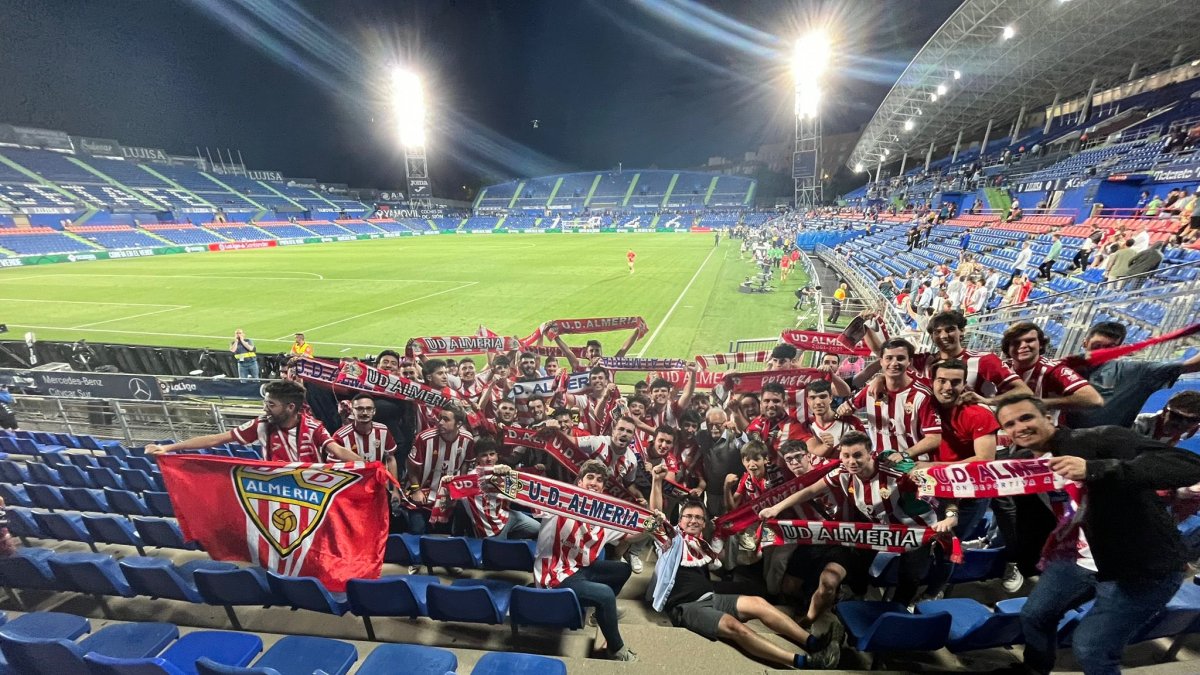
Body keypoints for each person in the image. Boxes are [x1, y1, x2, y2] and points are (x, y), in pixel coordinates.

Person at [994, 394, 1200, 675]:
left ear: (1047, 417)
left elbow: (1188, 465)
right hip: (1081, 556)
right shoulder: (1021, 463)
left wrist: (1095, 469)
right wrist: (911, 468)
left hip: (1141, 568)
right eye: (1010, 424)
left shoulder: (1100, 439)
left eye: (1026, 417)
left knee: (1092, 648)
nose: (1019, 427)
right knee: (1035, 615)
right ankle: (1034, 669)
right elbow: (963, 473)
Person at [647, 465, 841, 670]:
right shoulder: (670, 540)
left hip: (712, 596)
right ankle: (804, 662)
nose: (693, 521)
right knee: (734, 626)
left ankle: (814, 643)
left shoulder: (703, 544)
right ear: (680, 519)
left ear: (704, 523)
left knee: (758, 602)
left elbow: (717, 556)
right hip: (686, 607)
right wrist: (657, 481)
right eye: (688, 517)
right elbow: (655, 516)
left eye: (698, 518)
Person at [759, 431, 958, 608]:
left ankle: (899, 612)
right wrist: (776, 508)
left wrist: (951, 516)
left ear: (870, 454)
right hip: (879, 530)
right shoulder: (843, 473)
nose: (851, 461)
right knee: (858, 562)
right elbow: (810, 490)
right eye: (846, 456)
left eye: (857, 455)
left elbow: (944, 491)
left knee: (909, 576)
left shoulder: (896, 473)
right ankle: (859, 597)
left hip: (917, 531)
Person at [533, 459, 636, 661]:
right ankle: (616, 649)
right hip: (555, 576)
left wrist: (649, 529)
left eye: (599, 480)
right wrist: (503, 478)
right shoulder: (558, 502)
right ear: (579, 482)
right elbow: (528, 495)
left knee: (623, 569)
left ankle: (600, 615)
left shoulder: (604, 515)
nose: (594, 483)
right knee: (605, 594)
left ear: (603, 488)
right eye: (590, 477)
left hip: (580, 568)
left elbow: (630, 535)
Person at [146, 380, 357, 462]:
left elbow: (338, 452)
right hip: (275, 492)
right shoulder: (261, 424)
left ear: (290, 407)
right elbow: (215, 439)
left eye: (271, 405)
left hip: (310, 493)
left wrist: (370, 466)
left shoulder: (313, 427)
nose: (265, 408)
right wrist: (169, 448)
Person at [1063, 321, 1200, 429]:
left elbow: (1192, 365)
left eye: (1110, 348)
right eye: (1096, 345)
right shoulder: (1061, 367)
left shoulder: (1135, 372)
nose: (1101, 352)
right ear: (1085, 342)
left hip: (1100, 451)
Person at [841, 338, 942, 462]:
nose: (894, 363)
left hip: (911, 464)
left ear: (909, 362)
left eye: (900, 358)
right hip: (880, 462)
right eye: (889, 358)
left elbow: (934, 438)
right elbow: (845, 409)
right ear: (881, 362)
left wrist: (904, 455)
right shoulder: (871, 389)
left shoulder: (922, 395)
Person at [1000, 322, 1102, 423]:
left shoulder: (1054, 369)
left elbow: (1093, 399)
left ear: (1040, 344)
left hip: (1041, 432)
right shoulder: (1001, 367)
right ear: (1007, 348)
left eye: (1029, 340)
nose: (1023, 346)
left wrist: (1041, 403)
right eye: (1016, 342)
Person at [445, 441, 541, 539]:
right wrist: (449, 484)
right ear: (477, 458)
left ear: (497, 456)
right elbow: (451, 502)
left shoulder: (502, 470)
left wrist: (509, 472)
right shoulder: (470, 479)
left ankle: (510, 540)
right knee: (498, 552)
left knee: (537, 528)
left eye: (492, 454)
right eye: (484, 455)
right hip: (491, 529)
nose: (489, 459)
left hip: (507, 516)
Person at [401, 407, 475, 534]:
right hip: (421, 493)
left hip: (446, 498)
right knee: (418, 532)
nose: (440, 422)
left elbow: (466, 464)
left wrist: (460, 490)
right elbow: (412, 466)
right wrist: (416, 489)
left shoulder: (467, 439)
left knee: (445, 536)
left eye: (446, 419)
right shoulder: (424, 438)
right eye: (440, 418)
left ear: (459, 424)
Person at [333, 394, 399, 478]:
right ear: (352, 411)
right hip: (351, 485)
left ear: (374, 411)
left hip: (377, 483)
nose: (364, 413)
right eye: (360, 409)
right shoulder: (340, 436)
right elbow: (333, 467)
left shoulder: (383, 430)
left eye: (368, 409)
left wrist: (395, 489)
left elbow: (390, 458)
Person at [1133, 390, 1200, 446]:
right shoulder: (1139, 425)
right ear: (1165, 411)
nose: (1182, 424)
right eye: (1178, 417)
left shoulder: (1190, 432)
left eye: (1192, 420)